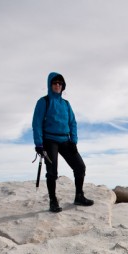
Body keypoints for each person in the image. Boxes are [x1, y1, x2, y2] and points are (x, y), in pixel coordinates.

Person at [32, 72, 93, 212]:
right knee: (52, 172)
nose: (58, 85)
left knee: (80, 167)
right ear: (50, 84)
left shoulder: (66, 104)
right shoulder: (44, 102)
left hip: (66, 140)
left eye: (60, 83)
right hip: (49, 140)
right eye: (55, 83)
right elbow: (36, 124)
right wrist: (39, 144)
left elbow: (73, 123)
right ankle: (53, 201)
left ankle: (79, 196)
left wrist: (74, 140)